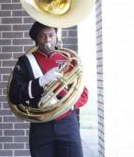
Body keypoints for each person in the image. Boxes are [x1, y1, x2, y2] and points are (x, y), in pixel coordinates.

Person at [9, 21, 88, 157]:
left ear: (56, 36)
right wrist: (41, 81)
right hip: (41, 126)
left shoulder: (68, 59)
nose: (48, 40)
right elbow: (14, 95)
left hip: (68, 122)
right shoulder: (26, 62)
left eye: (51, 35)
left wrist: (64, 102)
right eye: (42, 36)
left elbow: (83, 94)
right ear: (36, 39)